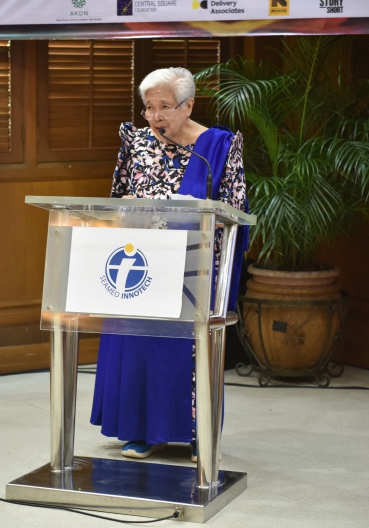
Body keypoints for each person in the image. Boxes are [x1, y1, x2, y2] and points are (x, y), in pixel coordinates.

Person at [89, 67, 247, 462]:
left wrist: (201, 212)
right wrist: (125, 207)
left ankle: (197, 434)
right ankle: (141, 432)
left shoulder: (217, 146)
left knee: (185, 353)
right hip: (140, 262)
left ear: (188, 105)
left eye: (164, 107)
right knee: (141, 349)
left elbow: (236, 209)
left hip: (192, 267)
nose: (155, 116)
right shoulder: (137, 142)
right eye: (148, 108)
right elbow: (118, 195)